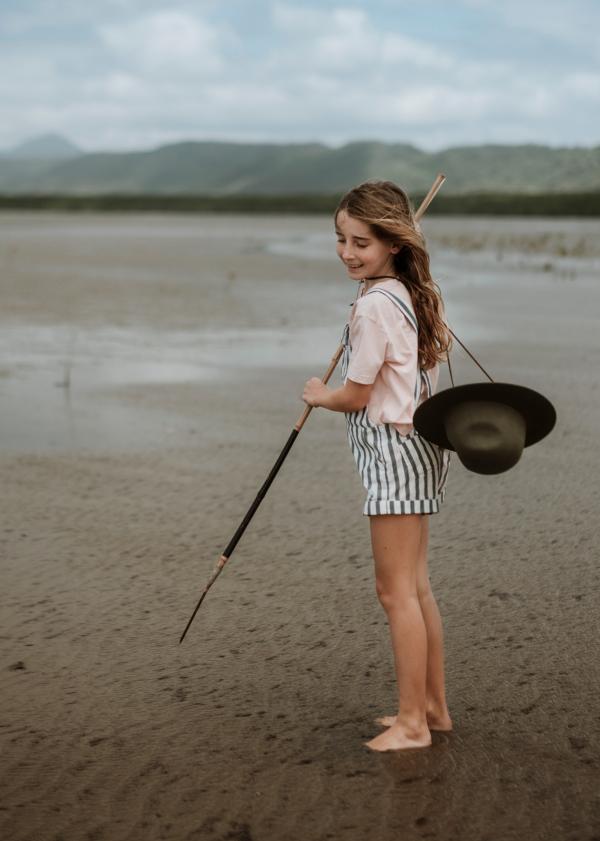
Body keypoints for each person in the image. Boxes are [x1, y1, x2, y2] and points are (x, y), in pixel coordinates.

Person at [302, 180, 453, 752]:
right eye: (340, 239)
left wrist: (319, 394)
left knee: (395, 593)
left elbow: (358, 395)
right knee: (416, 587)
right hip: (419, 447)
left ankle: (412, 724)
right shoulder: (408, 293)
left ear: (393, 242)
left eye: (361, 242)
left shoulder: (372, 305)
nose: (347, 252)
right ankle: (432, 708)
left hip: (392, 451)